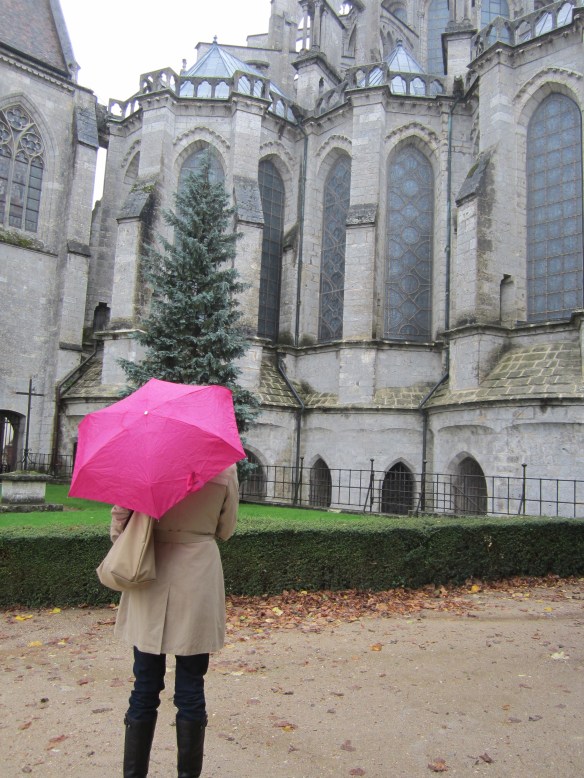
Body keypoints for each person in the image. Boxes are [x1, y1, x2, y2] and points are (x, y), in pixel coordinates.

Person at [110, 464, 239, 778]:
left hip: (150, 568)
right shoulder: (224, 466)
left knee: (144, 684)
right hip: (197, 573)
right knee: (192, 686)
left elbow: (119, 526)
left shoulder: (148, 461)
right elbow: (226, 528)